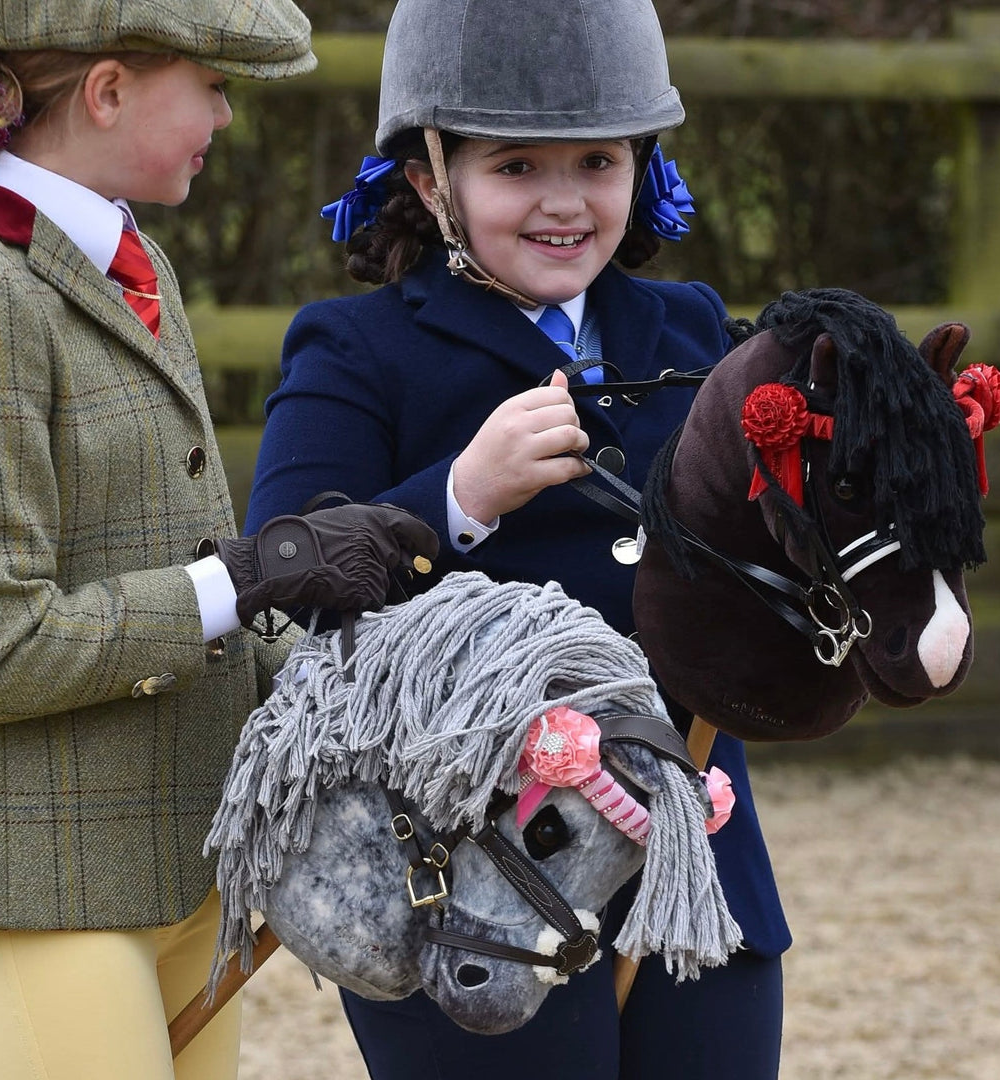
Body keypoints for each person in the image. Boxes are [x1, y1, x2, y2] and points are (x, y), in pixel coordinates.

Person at [245, 0, 790, 1076]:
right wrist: (460, 495)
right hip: (465, 874)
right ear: (427, 178)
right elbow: (285, 573)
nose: (562, 201)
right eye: (514, 167)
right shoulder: (358, 347)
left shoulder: (691, 327)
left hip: (692, 853)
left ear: (643, 161)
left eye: (596, 159)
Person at [0, 3, 437, 1079]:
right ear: (109, 91)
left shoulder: (134, 257)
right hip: (43, 893)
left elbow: (172, 557)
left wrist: (354, 684)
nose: (226, 112)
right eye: (210, 85)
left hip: (191, 864)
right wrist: (252, 573)